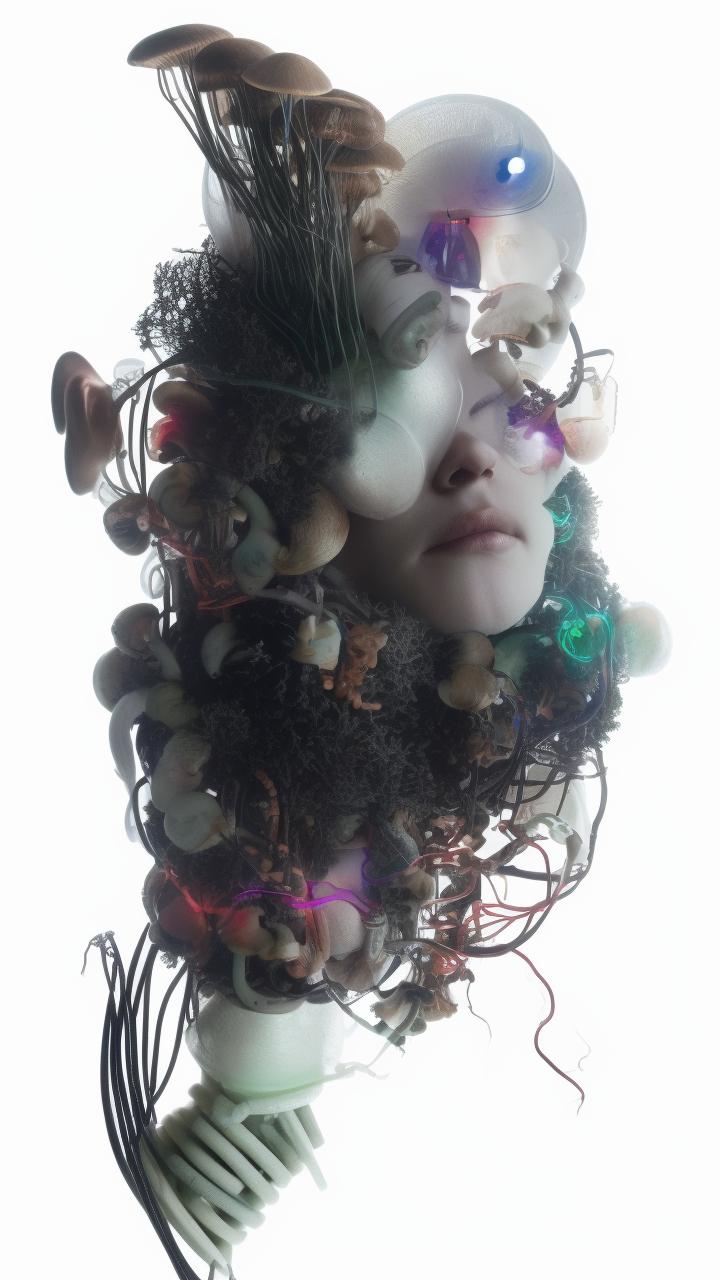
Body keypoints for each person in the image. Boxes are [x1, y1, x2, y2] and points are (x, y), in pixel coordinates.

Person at [52, 24, 670, 1277]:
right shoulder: (286, 776)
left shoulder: (510, 718)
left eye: (502, 409)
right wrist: (248, 1096)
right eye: (399, 421)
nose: (469, 461)